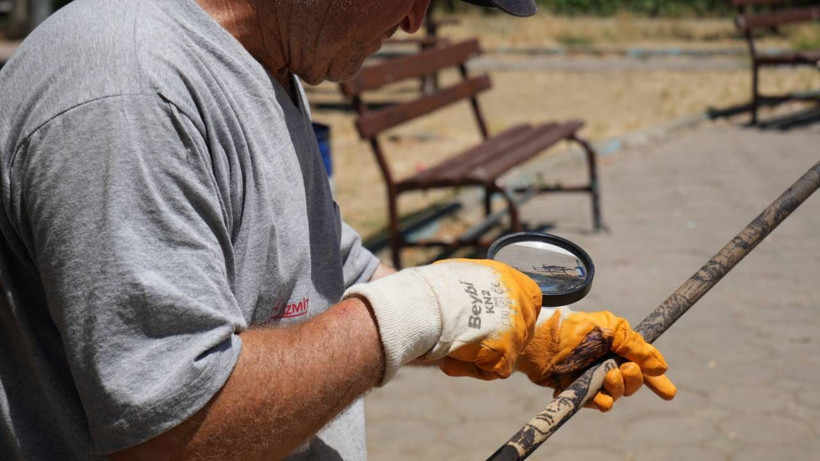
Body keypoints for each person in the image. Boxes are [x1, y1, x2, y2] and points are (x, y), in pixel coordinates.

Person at [0, 0, 676, 459]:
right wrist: (426, 309)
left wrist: (528, 332)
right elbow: (174, 431)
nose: (417, 20)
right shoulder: (128, 89)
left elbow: (331, 272)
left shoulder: (259, 66)